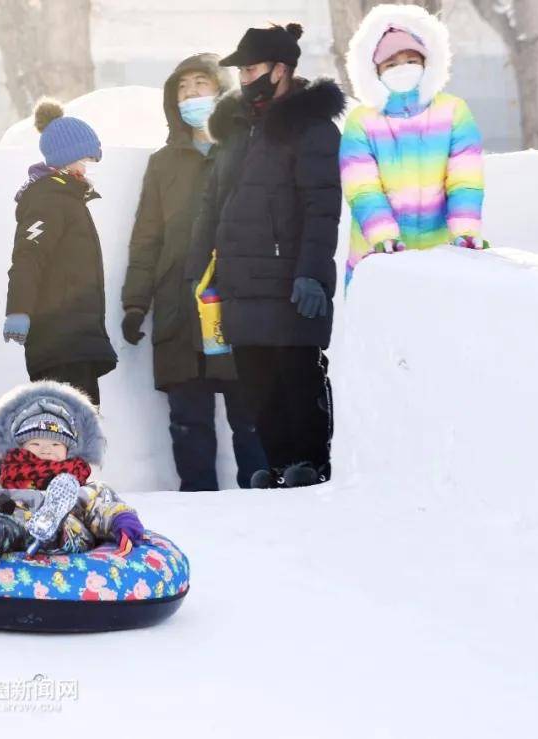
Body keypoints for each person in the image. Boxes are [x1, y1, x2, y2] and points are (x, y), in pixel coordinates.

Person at [186, 23, 344, 488]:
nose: (245, 77)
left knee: (298, 376)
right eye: (242, 70)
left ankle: (311, 464)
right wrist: (199, 271)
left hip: (290, 279)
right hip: (240, 280)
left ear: (281, 70)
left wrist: (312, 274)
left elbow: (323, 206)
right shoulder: (237, 129)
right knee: (257, 382)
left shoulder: (311, 128)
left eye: (252, 67)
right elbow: (212, 204)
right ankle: (277, 466)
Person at [121, 52, 266, 491]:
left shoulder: (248, 149)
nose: (190, 95)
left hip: (238, 302)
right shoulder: (163, 164)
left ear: (220, 90)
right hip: (178, 306)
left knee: (251, 413)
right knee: (188, 420)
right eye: (182, 89)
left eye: (200, 84)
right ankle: (197, 505)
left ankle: (265, 503)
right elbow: (147, 237)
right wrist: (134, 302)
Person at [0, 381, 144, 565]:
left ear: (69, 451)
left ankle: (52, 520)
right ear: (20, 449)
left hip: (67, 535)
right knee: (2, 517)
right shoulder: (4, 483)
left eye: (55, 445)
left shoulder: (83, 488)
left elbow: (103, 506)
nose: (45, 450)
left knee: (68, 524)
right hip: (17, 529)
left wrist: (122, 520)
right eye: (35, 444)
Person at [341, 4, 485, 284]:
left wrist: (465, 231)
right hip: (377, 258)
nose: (402, 69)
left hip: (442, 257)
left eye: (410, 60)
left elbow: (465, 179)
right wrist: (383, 236)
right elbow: (362, 187)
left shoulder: (453, 111)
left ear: (426, 62)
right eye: (391, 64)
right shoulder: (362, 121)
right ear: (375, 71)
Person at [3, 101, 117, 406]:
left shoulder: (68, 199)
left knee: (80, 431)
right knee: (66, 431)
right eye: (83, 159)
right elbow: (29, 257)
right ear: (64, 161)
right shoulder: (50, 200)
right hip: (60, 340)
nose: (86, 168)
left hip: (76, 338)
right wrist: (19, 309)